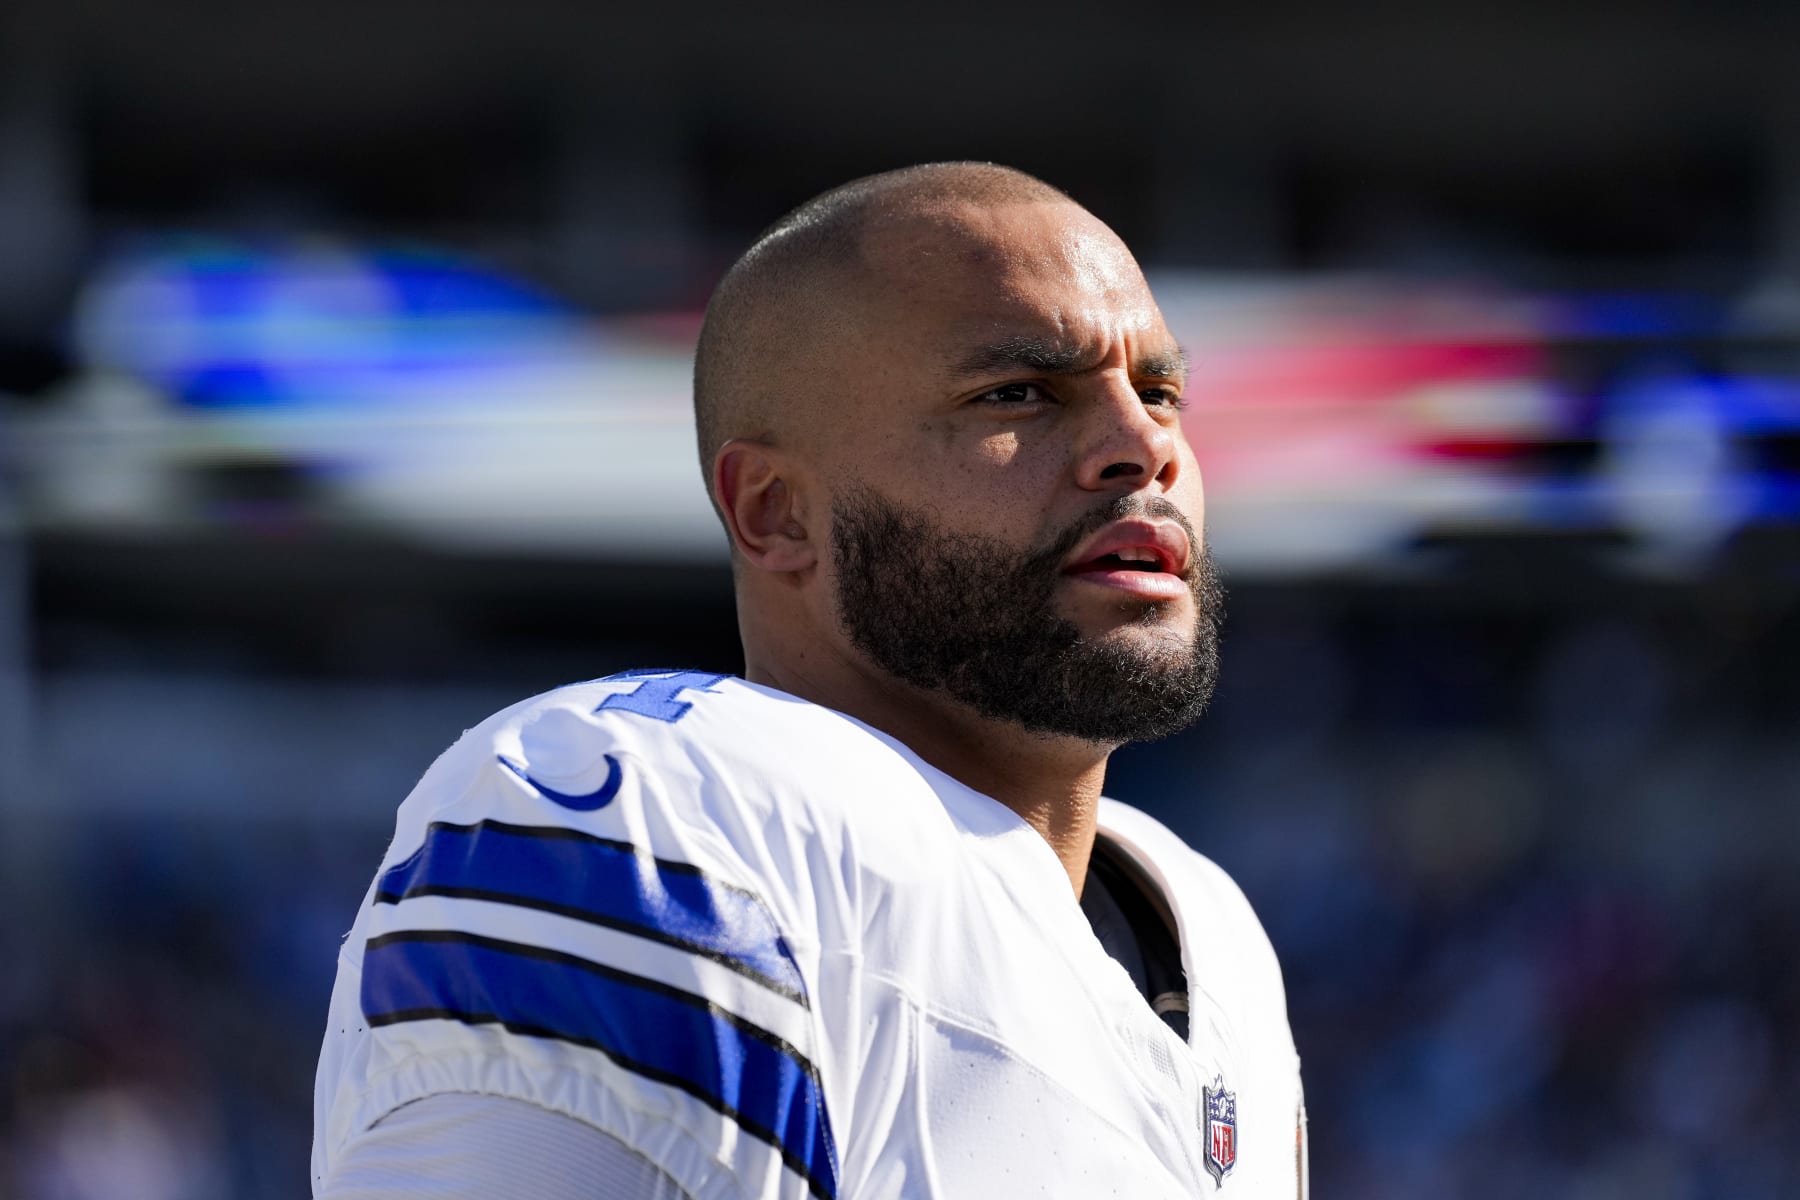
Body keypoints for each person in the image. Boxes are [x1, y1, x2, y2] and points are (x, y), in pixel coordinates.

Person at [311, 162, 1306, 1198]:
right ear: (777, 510)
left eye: (1159, 393)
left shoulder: (1216, 939)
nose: (1143, 447)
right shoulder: (649, 818)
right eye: (1017, 394)